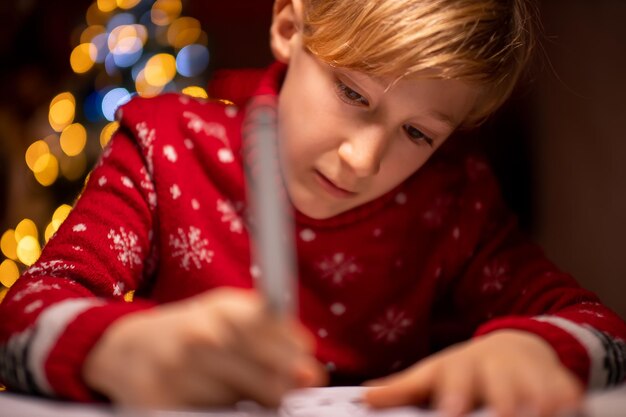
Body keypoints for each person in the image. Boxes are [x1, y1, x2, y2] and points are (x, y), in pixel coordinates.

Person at [1, 0, 625, 416]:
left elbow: (600, 325)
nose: (362, 159)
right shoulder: (164, 148)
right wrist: (116, 348)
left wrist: (533, 347)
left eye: (418, 134)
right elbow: (21, 316)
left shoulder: (454, 202)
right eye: (352, 92)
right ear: (288, 28)